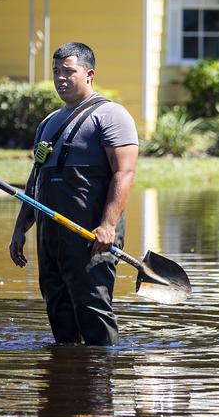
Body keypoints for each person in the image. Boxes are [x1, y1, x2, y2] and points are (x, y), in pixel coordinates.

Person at [9, 42, 138, 346]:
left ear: (89, 74)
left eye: (69, 71)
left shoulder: (111, 116)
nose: (60, 79)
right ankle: (67, 384)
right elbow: (36, 178)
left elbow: (124, 173)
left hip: (91, 236)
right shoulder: (48, 123)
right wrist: (20, 227)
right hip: (51, 237)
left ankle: (100, 380)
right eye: (56, 72)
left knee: (93, 310)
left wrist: (108, 225)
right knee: (58, 312)